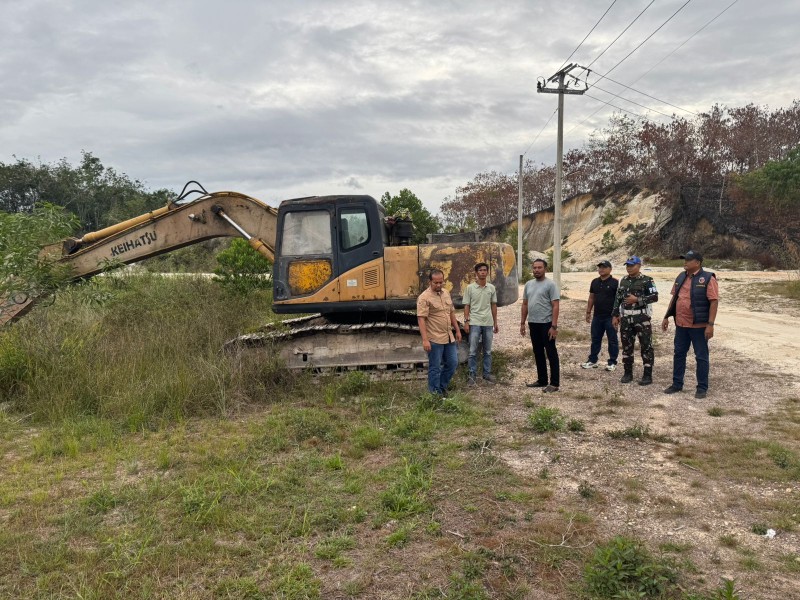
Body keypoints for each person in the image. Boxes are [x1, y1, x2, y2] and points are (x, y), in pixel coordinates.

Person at [661, 250, 719, 400]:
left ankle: (702, 388)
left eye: (688, 260)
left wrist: (710, 324)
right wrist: (667, 316)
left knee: (701, 356)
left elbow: (713, 301)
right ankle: (677, 384)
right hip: (681, 324)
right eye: (684, 259)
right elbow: (675, 298)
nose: (685, 262)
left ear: (698, 263)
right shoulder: (681, 276)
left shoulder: (707, 278)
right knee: (679, 354)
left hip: (699, 326)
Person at [612, 256, 659, 385]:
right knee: (627, 346)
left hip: (642, 317)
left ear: (639, 266)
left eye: (632, 265)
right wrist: (615, 315)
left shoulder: (647, 280)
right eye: (627, 265)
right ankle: (628, 373)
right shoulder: (624, 281)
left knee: (646, 346)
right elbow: (618, 298)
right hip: (626, 318)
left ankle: (647, 375)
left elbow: (655, 297)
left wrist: (637, 300)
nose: (629, 268)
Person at [417, 269, 462, 395]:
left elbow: (451, 312)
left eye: (441, 282)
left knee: (452, 363)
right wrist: (425, 340)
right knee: (435, 367)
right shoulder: (424, 297)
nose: (438, 285)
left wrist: (457, 330)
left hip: (448, 336)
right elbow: (421, 319)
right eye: (435, 283)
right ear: (430, 282)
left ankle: (441, 387)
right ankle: (435, 394)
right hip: (434, 338)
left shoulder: (446, 293)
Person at [520, 258, 560, 392]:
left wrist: (554, 326)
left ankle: (554, 384)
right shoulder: (528, 284)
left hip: (547, 324)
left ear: (545, 269)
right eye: (534, 268)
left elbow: (555, 305)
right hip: (533, 323)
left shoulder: (551, 285)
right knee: (538, 352)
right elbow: (525, 304)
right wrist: (522, 323)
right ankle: (542, 380)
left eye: (539, 267)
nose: (536, 270)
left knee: (551, 352)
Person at [463, 262, 499, 386]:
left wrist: (495, 322)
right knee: (473, 351)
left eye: (485, 270)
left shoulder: (491, 288)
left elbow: (493, 305)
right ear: (476, 273)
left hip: (488, 322)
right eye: (480, 270)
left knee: (488, 351)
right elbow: (466, 306)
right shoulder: (470, 288)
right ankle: (472, 376)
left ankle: (487, 374)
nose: (483, 272)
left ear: (487, 272)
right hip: (475, 322)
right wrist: (466, 321)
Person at [581, 260, 620, 372]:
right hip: (597, 316)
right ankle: (592, 360)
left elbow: (620, 300)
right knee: (595, 339)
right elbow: (591, 297)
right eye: (600, 267)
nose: (601, 269)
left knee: (612, 340)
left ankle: (612, 362)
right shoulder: (594, 282)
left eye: (604, 267)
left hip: (610, 317)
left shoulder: (615, 283)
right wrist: (588, 312)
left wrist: (617, 316)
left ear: (610, 269)